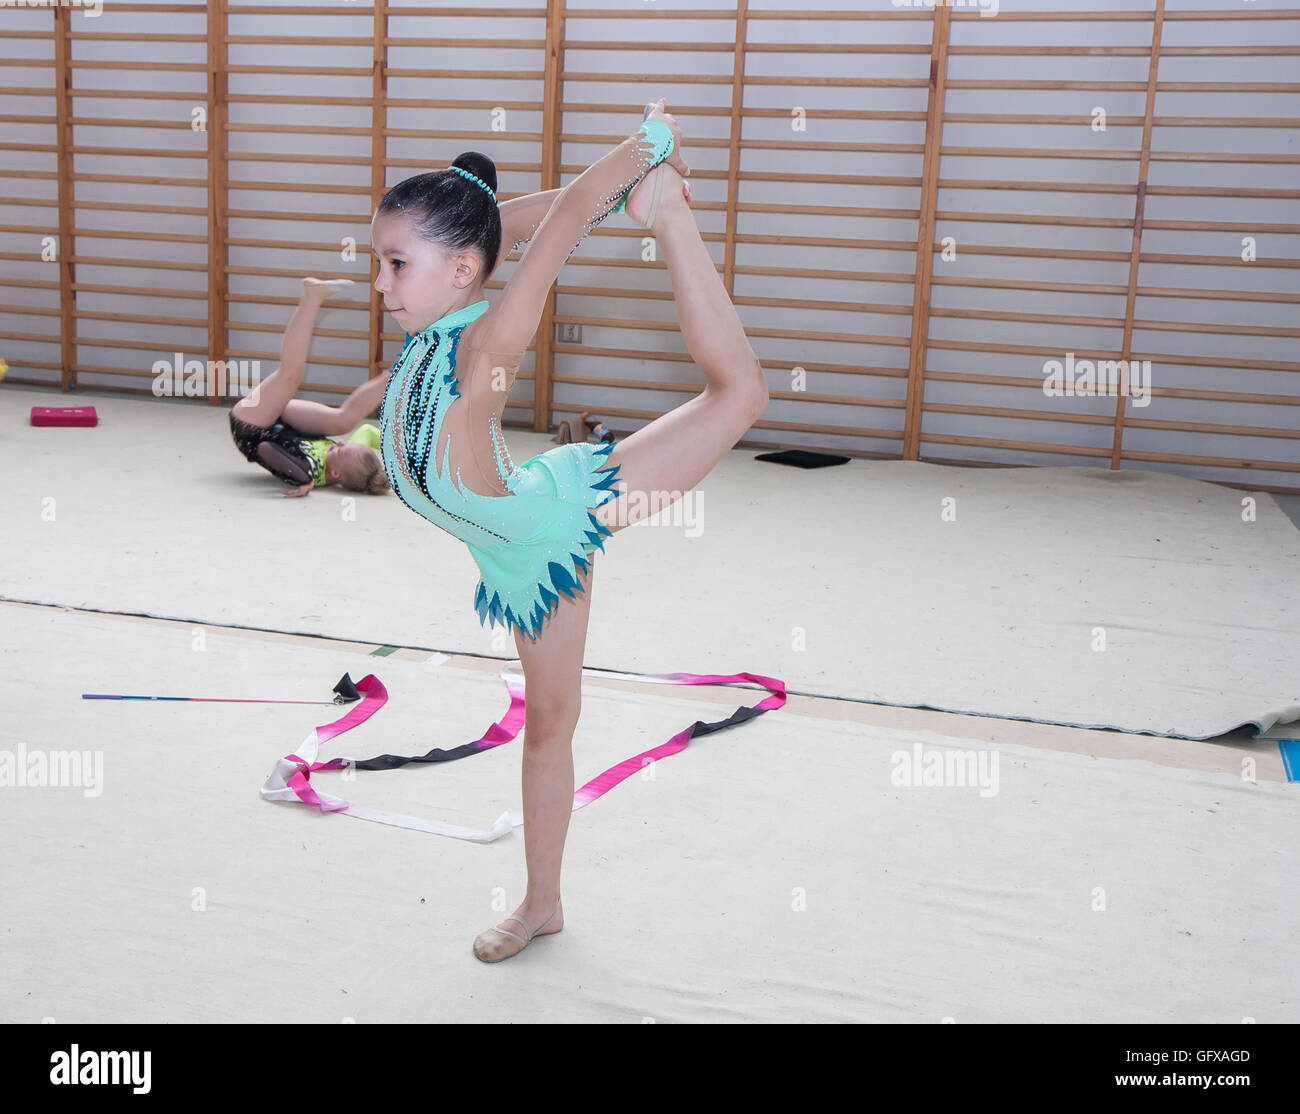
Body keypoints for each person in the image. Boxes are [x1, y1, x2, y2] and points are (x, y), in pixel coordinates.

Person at [370, 98, 768, 962]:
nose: (379, 282)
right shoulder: (429, 324)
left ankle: (669, 215)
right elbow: (503, 225)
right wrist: (477, 212)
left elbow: (549, 234)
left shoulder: (484, 350)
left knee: (738, 396)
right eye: (380, 261)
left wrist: (644, 149)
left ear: (463, 272)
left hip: (572, 512)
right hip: (518, 562)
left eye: (395, 263)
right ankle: (541, 905)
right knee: (551, 724)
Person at [228, 278, 391, 497]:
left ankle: (312, 297)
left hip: (251, 428)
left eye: (341, 450)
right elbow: (367, 431)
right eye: (347, 444)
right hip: (284, 422)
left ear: (334, 474)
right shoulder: (352, 459)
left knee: (291, 375)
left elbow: (264, 449)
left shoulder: (310, 470)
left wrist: (302, 479)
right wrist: (407, 455)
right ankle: (401, 372)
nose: (341, 443)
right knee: (345, 420)